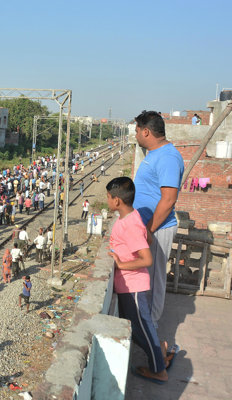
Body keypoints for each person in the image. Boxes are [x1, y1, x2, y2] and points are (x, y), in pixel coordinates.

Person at [106, 176, 171, 383]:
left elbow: (147, 259)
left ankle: (159, 370)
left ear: (117, 200)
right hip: (129, 285)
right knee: (139, 330)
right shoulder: (130, 218)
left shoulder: (130, 224)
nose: (107, 200)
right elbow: (147, 239)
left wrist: (121, 264)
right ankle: (159, 352)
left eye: (108, 197)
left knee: (141, 328)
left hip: (132, 285)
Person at [133, 110, 184, 328]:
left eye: (136, 131)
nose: (135, 135)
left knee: (153, 283)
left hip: (157, 229)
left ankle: (151, 333)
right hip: (147, 227)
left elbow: (169, 199)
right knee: (145, 280)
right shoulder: (154, 154)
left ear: (146, 131)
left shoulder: (167, 157)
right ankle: (144, 326)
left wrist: (148, 230)